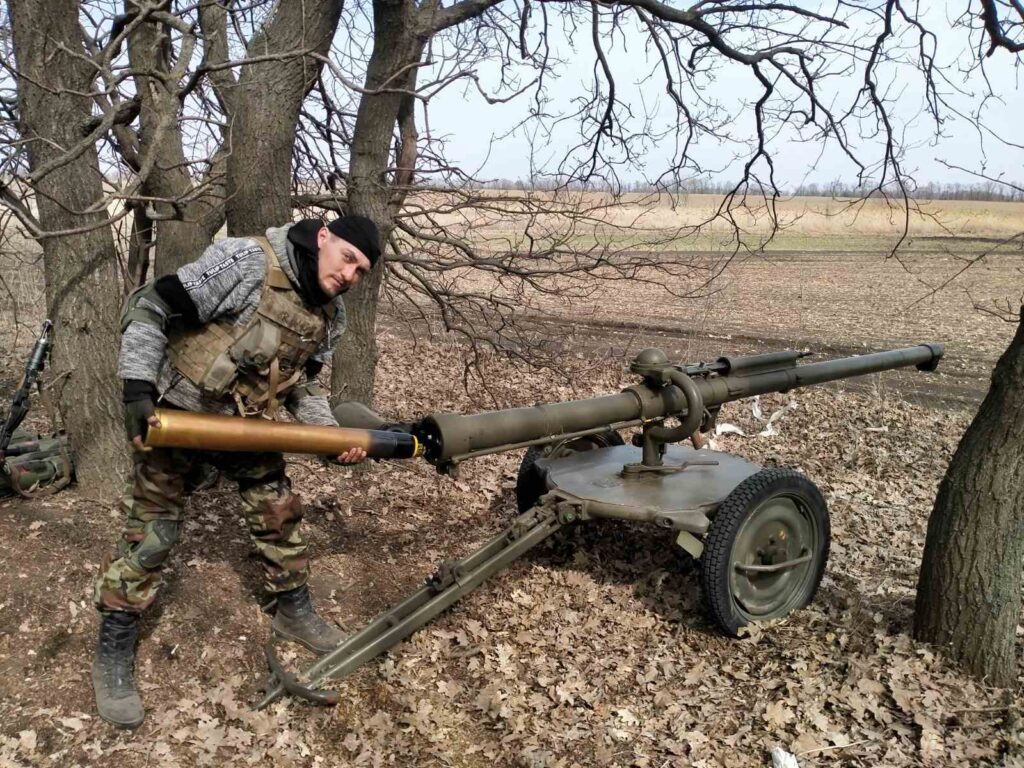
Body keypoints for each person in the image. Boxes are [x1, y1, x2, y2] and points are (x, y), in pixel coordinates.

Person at [91, 216, 381, 729]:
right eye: (347, 259)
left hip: (246, 425)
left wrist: (330, 439)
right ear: (323, 238)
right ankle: (115, 642)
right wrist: (136, 388)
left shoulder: (331, 317)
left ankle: (294, 609)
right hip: (177, 417)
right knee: (152, 534)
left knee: (279, 512)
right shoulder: (247, 262)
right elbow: (153, 304)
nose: (349, 275)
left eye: (361, 271)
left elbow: (302, 386)